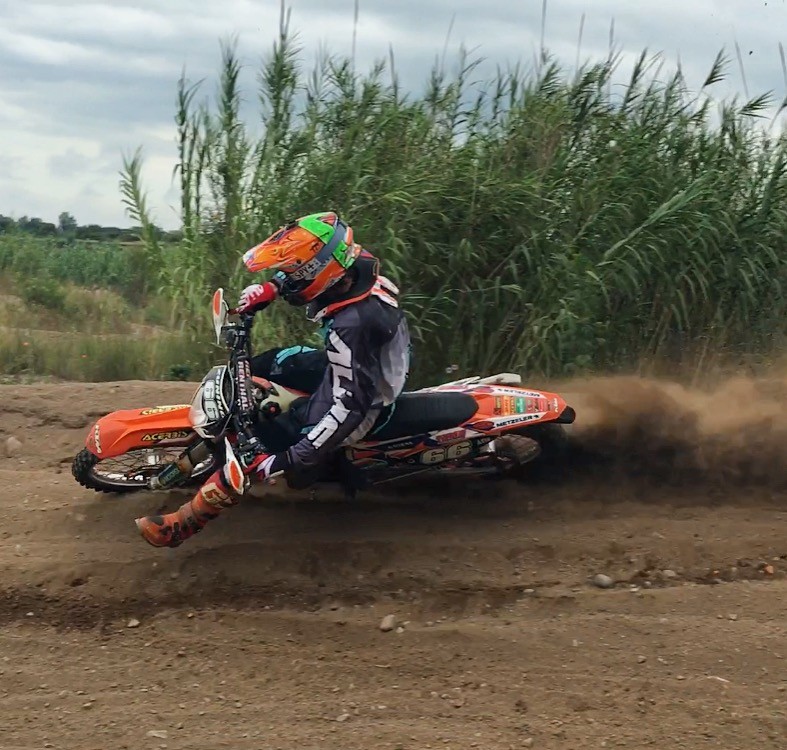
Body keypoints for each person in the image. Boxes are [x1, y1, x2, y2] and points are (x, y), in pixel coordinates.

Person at [135, 211, 411, 548]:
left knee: (265, 445)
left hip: (364, 396)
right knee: (273, 361)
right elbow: (312, 268)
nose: (289, 278)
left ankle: (187, 521)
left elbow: (349, 406)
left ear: (319, 273)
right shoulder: (352, 265)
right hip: (356, 364)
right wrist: (272, 287)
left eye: (293, 274)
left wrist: (289, 458)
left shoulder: (352, 326)